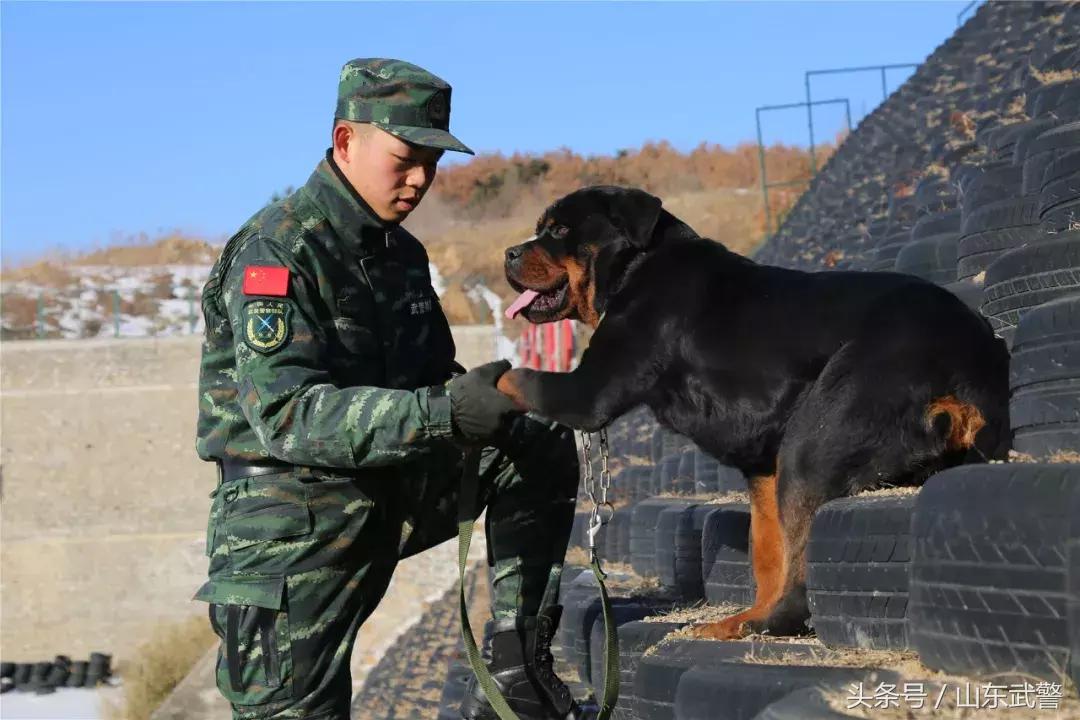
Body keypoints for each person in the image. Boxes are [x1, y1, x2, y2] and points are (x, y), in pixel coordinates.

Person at [193, 58, 581, 720]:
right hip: (288, 528)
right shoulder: (277, 251)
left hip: (384, 488)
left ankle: (518, 667)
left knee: (535, 441)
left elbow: (432, 383)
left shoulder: (401, 256)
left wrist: (502, 396)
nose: (420, 179)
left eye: (432, 162)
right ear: (347, 141)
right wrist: (444, 412)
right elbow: (287, 416)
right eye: (405, 158)